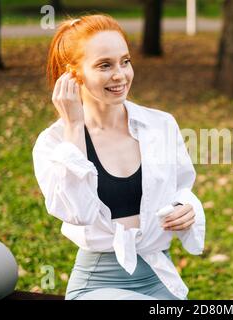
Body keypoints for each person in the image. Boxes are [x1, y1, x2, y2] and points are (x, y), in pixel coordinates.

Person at [32, 14, 206, 300]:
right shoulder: (53, 143)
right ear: (72, 73)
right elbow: (78, 212)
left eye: (125, 61)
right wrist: (74, 126)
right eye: (104, 65)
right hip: (97, 283)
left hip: (158, 276)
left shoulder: (161, 124)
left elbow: (181, 190)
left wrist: (186, 208)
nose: (120, 74)